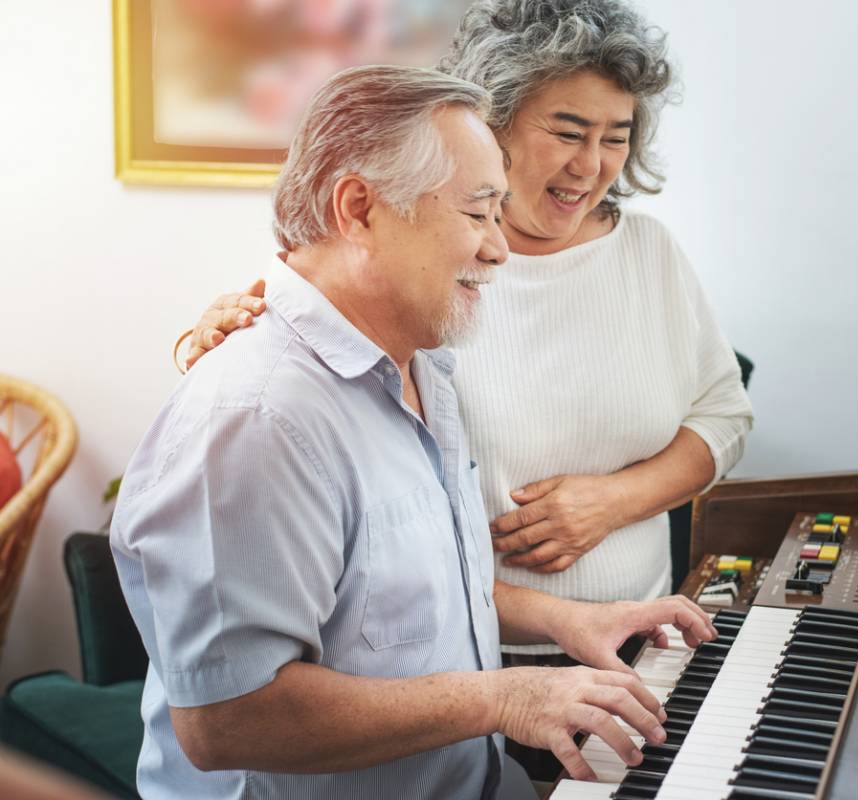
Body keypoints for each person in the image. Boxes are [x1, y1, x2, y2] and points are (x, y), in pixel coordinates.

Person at [112, 65, 715, 800]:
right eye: (478, 213)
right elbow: (227, 722)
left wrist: (568, 619)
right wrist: (505, 698)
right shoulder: (255, 418)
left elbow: (412, 596)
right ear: (360, 208)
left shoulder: (423, 363)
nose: (499, 248)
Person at [186, 0, 752, 664]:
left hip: (642, 638)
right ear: (494, 124)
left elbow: (723, 415)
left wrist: (613, 501)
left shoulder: (650, 253)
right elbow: (284, 356)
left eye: (616, 136)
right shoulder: (417, 263)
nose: (592, 165)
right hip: (471, 660)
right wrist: (209, 340)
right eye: (568, 132)